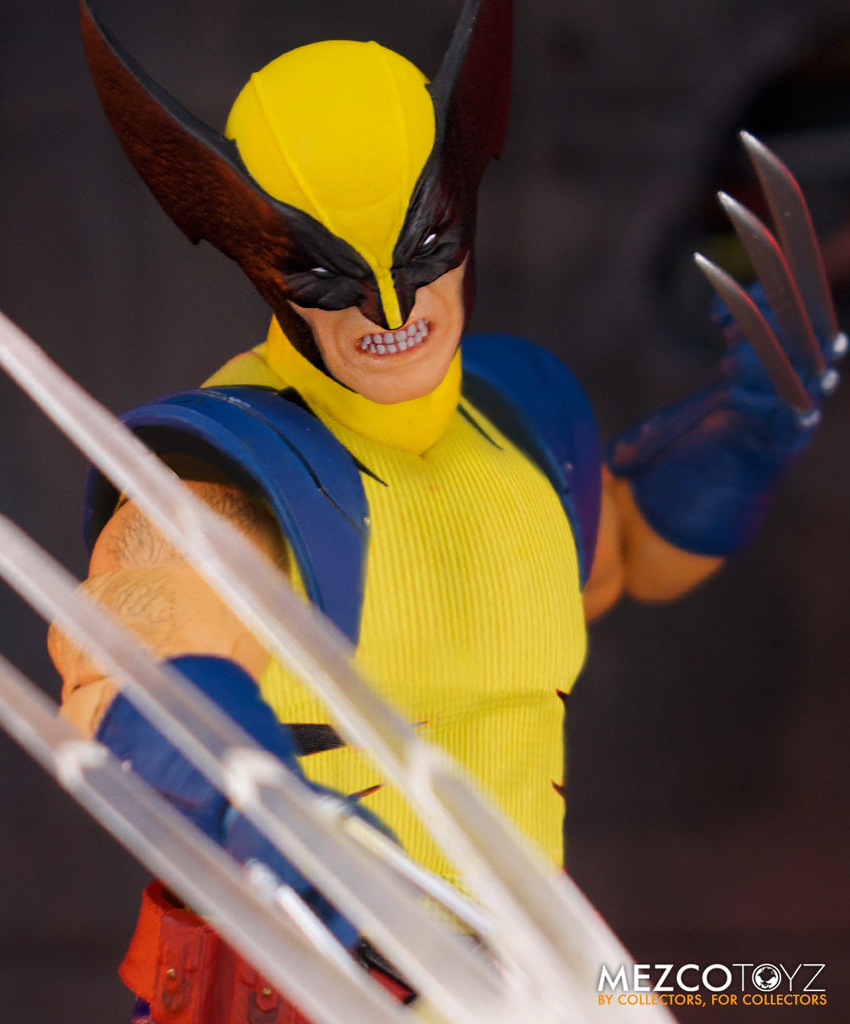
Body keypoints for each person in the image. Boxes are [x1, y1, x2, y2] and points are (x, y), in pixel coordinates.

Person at [49, 0, 841, 1019]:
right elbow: (128, 670)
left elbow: (622, 553)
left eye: (425, 249)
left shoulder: (519, 417)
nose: (389, 308)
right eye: (327, 274)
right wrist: (264, 809)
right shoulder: (230, 471)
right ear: (258, 260)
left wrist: (743, 444)